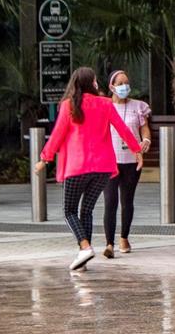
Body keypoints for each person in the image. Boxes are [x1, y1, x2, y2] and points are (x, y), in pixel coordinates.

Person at [34, 67, 143, 271]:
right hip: (102, 169)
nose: (97, 84)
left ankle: (84, 248)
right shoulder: (105, 104)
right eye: (94, 81)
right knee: (87, 211)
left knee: (69, 211)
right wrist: (137, 150)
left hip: (77, 167)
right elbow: (122, 129)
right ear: (89, 83)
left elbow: (57, 134)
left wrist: (44, 159)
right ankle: (84, 257)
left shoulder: (69, 106)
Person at [101, 69, 152, 259]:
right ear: (112, 87)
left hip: (132, 160)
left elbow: (144, 130)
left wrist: (145, 141)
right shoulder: (105, 107)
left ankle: (124, 237)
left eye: (126, 82)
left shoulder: (138, 106)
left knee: (127, 200)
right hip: (110, 161)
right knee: (110, 201)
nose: (124, 86)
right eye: (120, 83)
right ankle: (109, 243)